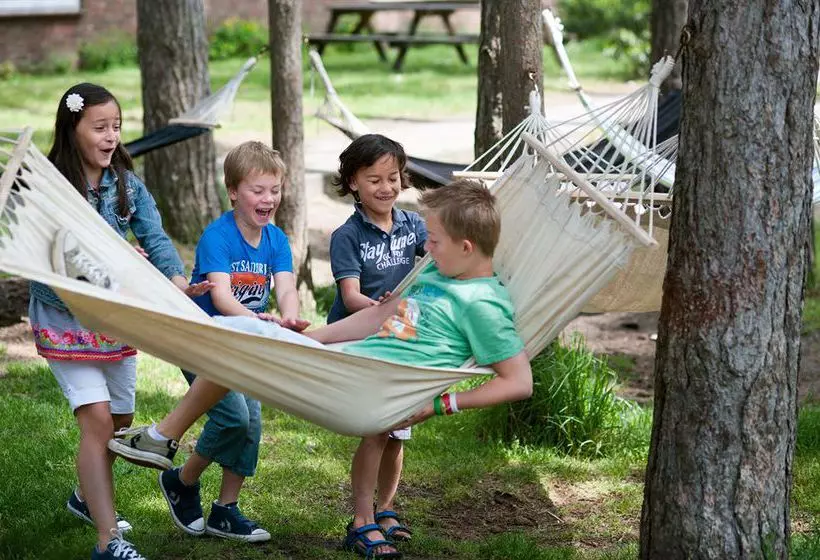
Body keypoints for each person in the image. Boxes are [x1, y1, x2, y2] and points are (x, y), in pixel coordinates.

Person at [108, 180, 532, 559]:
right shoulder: (438, 275)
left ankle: (162, 436)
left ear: (466, 248)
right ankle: (165, 437)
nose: (427, 249)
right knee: (240, 342)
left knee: (242, 341)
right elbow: (379, 318)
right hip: (354, 368)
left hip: (375, 388)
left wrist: (440, 405)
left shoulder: (483, 305)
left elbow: (517, 381)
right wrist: (310, 342)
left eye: (434, 241)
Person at [33, 83, 212, 560]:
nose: (111, 136)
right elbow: (50, 256)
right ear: (72, 129)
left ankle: (85, 496)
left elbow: (155, 239)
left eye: (116, 126)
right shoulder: (51, 189)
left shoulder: (127, 185)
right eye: (100, 127)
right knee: (96, 423)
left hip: (114, 320)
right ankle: (108, 541)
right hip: (65, 318)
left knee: (119, 421)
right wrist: (111, 273)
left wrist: (176, 283)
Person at [150, 141, 306, 543]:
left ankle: (225, 511)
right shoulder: (217, 236)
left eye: (275, 190)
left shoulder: (276, 240)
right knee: (233, 418)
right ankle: (182, 480)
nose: (268, 199)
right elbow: (220, 297)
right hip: (203, 340)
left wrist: (288, 318)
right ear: (233, 192)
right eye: (258, 190)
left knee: (250, 426)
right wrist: (260, 324)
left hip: (245, 343)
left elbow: (286, 288)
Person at [327, 134, 427, 545]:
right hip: (361, 340)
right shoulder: (347, 236)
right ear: (353, 182)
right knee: (376, 431)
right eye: (374, 180)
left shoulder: (413, 225)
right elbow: (351, 297)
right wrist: (380, 307)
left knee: (396, 432)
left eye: (393, 178)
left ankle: (385, 509)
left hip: (402, 338)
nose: (386, 187)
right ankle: (361, 520)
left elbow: (440, 262)